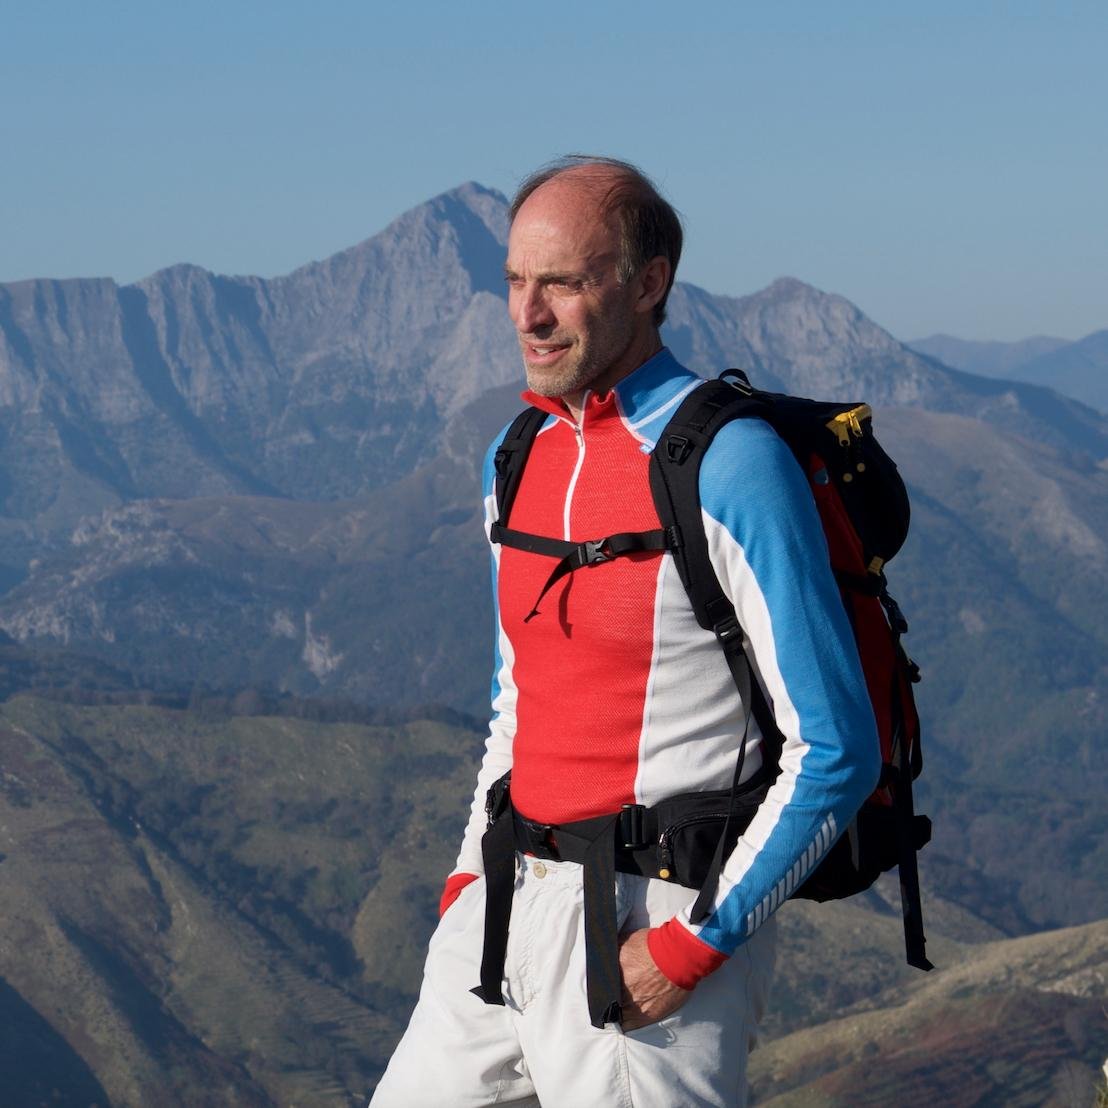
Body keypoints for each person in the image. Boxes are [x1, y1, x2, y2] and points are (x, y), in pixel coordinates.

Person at [371, 156, 880, 1107]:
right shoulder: (514, 455)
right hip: (500, 911)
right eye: (516, 281)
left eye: (563, 282)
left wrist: (695, 946)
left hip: (651, 925)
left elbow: (839, 750)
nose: (529, 314)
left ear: (648, 285)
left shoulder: (732, 465)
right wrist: (463, 886)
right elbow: (516, 701)